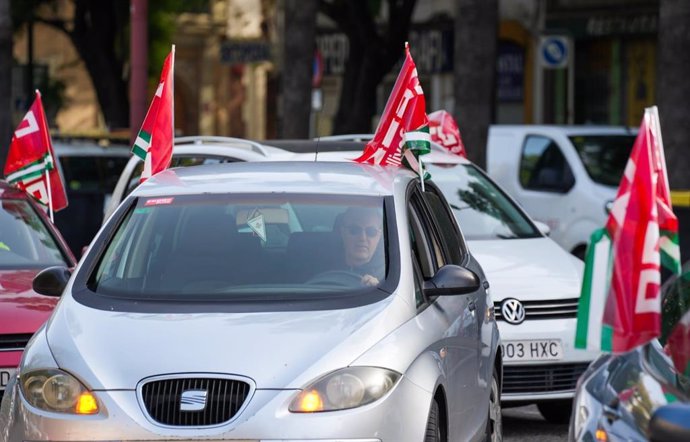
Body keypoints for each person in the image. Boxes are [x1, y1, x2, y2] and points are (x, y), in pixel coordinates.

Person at [338, 207, 385, 286]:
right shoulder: (319, 266)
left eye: (371, 231)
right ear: (342, 232)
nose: (363, 238)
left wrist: (378, 290)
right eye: (354, 230)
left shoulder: (390, 276)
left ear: (379, 236)